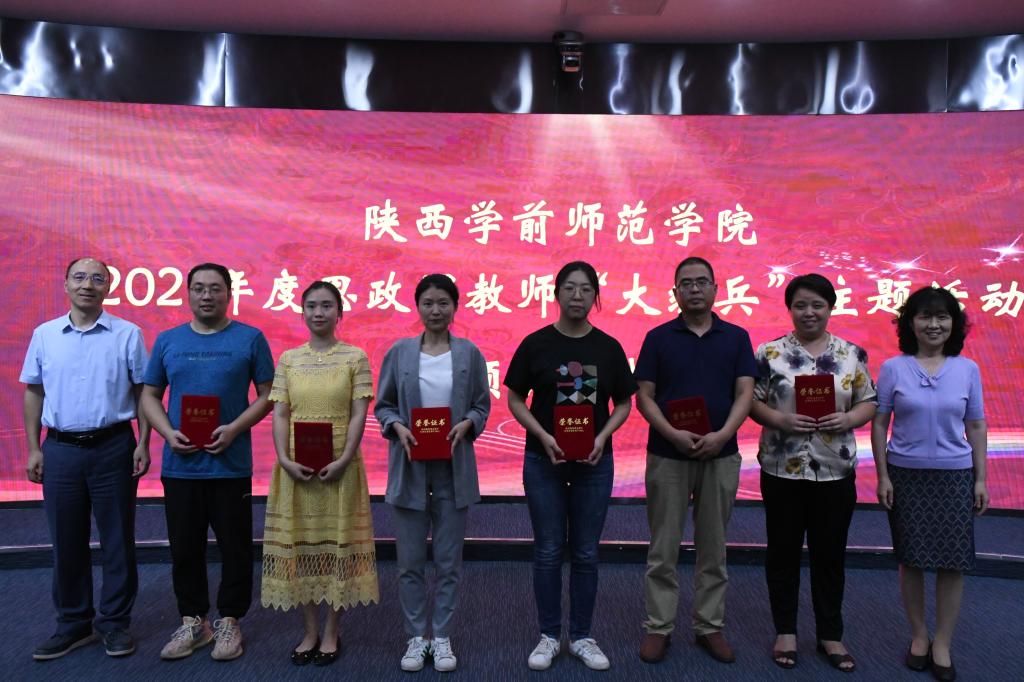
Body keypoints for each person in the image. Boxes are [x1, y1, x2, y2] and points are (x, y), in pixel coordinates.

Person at [505, 261, 637, 672]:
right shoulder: (536, 344)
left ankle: (581, 636)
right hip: (542, 460)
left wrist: (602, 436)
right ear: (556, 293)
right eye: (569, 288)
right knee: (547, 550)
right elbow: (514, 399)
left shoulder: (608, 348)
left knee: (585, 552)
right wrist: (542, 435)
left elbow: (624, 403)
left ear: (595, 297)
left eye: (585, 289)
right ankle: (548, 635)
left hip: (594, 462)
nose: (577, 296)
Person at [141, 262, 274, 661]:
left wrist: (234, 429)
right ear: (188, 293)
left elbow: (268, 394)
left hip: (230, 464)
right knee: (185, 548)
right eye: (198, 288)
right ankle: (193, 621)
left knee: (235, 547)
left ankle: (230, 621)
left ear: (229, 293)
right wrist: (168, 433)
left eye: (215, 288)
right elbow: (149, 396)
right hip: (180, 466)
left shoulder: (250, 338)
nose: (206, 295)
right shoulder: (168, 340)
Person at [21, 257, 151, 660]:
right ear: (65, 285)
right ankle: (73, 623)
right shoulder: (45, 335)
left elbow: (143, 393)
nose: (87, 285)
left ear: (108, 287)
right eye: (79, 277)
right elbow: (34, 392)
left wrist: (144, 443)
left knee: (117, 539)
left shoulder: (127, 334)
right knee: (66, 540)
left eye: (97, 279)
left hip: (114, 446)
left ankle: (114, 623)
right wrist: (34, 447)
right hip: (59, 450)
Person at [749, 274, 877, 672]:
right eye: (801, 305)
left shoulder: (851, 353)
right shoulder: (769, 353)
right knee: (782, 552)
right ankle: (785, 631)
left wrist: (849, 418)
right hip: (781, 469)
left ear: (830, 308)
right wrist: (780, 419)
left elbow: (868, 401)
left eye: (817, 305)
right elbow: (751, 402)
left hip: (834, 470)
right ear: (790, 309)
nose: (809, 312)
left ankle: (830, 634)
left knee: (830, 555)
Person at [635, 256, 757, 665]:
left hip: (720, 454)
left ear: (716, 289)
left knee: (713, 547)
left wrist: (722, 435)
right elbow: (645, 397)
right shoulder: (658, 338)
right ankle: (659, 627)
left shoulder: (736, 337)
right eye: (685, 283)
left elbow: (745, 394)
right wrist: (672, 433)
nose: (694, 289)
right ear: (675, 292)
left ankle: (709, 625)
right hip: (668, 453)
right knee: (663, 547)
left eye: (702, 282)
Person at [375, 274, 491, 673]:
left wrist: (468, 423)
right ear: (418, 307)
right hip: (409, 465)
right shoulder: (400, 352)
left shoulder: (470, 354)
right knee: (409, 560)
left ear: (455, 307)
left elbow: (481, 405)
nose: (436, 310)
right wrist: (397, 427)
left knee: (448, 560)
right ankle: (415, 637)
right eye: (428, 303)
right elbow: (383, 405)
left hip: (453, 467)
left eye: (443, 302)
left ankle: (441, 636)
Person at [871, 286, 987, 682]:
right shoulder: (894, 368)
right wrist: (883, 475)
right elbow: (880, 424)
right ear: (910, 323)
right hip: (906, 475)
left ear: (954, 323)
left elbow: (976, 425)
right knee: (912, 559)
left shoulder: (967, 369)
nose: (933, 324)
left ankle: (943, 642)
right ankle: (919, 636)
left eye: (942, 316)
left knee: (953, 562)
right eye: (924, 316)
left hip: (955, 476)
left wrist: (980, 478)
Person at [261, 281, 379, 666]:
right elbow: (281, 413)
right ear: (302, 312)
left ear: (339, 313)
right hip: (296, 469)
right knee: (301, 547)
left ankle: (331, 630)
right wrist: (284, 458)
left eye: (327, 305)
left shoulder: (355, 358)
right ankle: (309, 630)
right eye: (311, 305)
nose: (318, 312)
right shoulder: (289, 359)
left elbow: (359, 414)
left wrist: (344, 459)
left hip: (340, 467)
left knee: (337, 548)